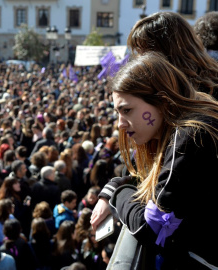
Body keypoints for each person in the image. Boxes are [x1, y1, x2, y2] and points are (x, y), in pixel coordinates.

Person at [90, 52, 218, 269]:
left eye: (127, 110)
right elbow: (139, 175)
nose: (120, 124)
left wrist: (119, 196)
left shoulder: (188, 137)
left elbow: (151, 228)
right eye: (118, 113)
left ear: (161, 101)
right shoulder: (186, 129)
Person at [127, 11, 218, 100]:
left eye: (144, 51)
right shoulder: (156, 84)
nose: (140, 58)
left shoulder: (202, 90)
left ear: (167, 50)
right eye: (138, 52)